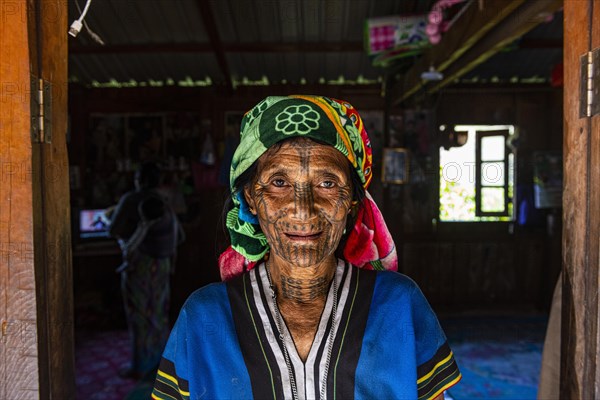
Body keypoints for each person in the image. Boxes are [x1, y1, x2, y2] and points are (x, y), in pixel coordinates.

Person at [151, 96, 461, 399]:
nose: (303, 209)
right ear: (249, 199)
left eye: (327, 183)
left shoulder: (399, 304)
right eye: (278, 183)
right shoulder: (204, 316)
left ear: (352, 201)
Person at [109, 162, 184, 380]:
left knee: (140, 314)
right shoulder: (165, 201)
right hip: (163, 263)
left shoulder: (131, 200)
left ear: (138, 180)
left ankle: (141, 366)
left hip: (140, 264)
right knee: (159, 314)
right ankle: (160, 364)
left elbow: (113, 230)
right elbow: (179, 237)